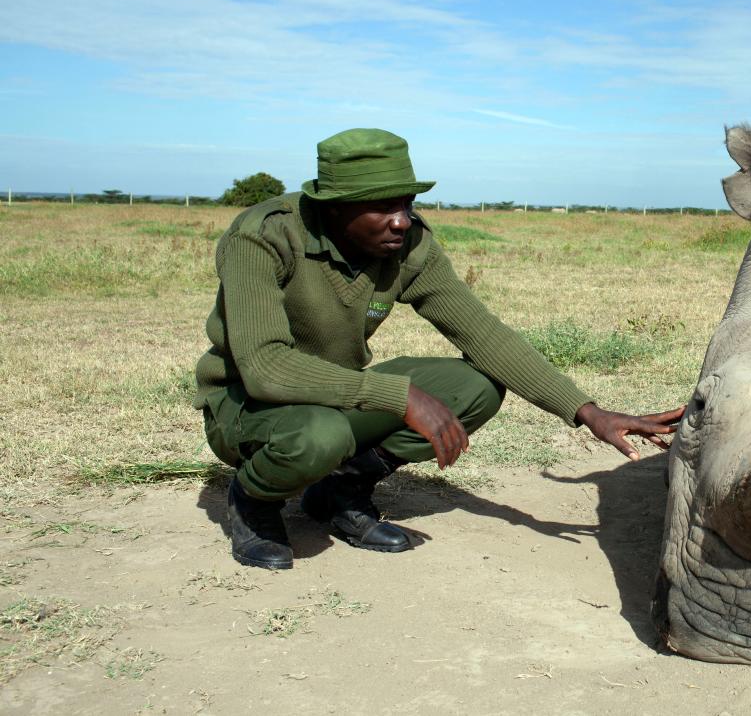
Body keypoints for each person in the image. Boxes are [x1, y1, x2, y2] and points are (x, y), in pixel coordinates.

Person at [193, 128, 683, 570]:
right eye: (384, 207)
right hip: (247, 406)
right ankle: (253, 499)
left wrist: (587, 411)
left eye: (406, 204)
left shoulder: (408, 246)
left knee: (476, 385)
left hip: (331, 396)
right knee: (318, 436)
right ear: (334, 207)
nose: (402, 222)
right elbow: (265, 368)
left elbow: (483, 335)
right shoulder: (263, 236)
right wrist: (399, 395)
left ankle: (340, 490)